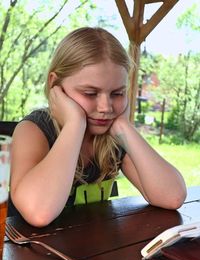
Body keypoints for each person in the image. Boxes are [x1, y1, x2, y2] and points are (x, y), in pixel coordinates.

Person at [10, 27, 187, 227]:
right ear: (55, 84)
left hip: (95, 250)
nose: (105, 107)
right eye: (90, 93)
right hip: (28, 255)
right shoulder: (34, 130)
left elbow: (172, 196)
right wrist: (75, 124)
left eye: (117, 93)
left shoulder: (112, 138)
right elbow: (38, 212)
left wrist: (123, 126)